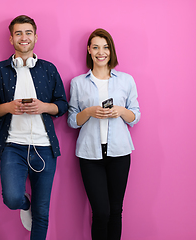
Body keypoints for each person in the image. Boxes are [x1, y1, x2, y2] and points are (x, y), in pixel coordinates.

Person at [0, 15, 68, 240]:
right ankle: (25, 202)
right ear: (11, 38)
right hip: (12, 146)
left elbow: (62, 105)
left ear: (35, 37)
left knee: (42, 214)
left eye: (28, 33)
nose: (24, 37)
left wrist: (44, 106)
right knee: (12, 198)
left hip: (44, 147)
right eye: (18, 33)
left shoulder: (49, 69)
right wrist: (8, 107)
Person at [67, 28, 141, 240]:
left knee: (116, 211)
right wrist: (89, 112)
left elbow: (135, 116)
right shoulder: (78, 82)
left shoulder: (126, 80)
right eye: (96, 47)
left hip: (120, 153)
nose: (101, 52)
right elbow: (72, 121)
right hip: (90, 156)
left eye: (106, 47)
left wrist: (121, 111)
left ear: (111, 50)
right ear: (89, 50)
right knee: (101, 212)